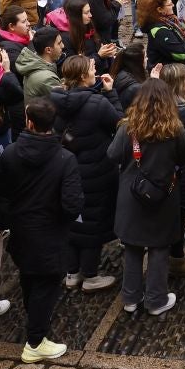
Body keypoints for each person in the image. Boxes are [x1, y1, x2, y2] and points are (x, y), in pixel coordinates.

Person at [0, 98, 85, 362]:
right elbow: (72, 203)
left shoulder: (10, 152)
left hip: (22, 230)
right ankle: (35, 342)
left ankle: (35, 324)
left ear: (29, 122)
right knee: (46, 285)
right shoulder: (64, 159)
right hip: (51, 233)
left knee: (29, 278)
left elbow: (0, 192)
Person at [108, 78, 185, 316]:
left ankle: (130, 297)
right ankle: (156, 299)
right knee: (159, 247)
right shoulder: (175, 129)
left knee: (133, 246)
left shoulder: (128, 128)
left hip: (131, 196)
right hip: (163, 195)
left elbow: (113, 154)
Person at [50, 52, 124, 291]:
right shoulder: (97, 103)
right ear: (83, 76)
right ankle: (90, 275)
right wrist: (111, 93)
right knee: (94, 223)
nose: (96, 71)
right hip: (98, 172)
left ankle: (72, 273)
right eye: (92, 68)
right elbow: (120, 125)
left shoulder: (57, 101)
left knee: (73, 220)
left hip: (69, 169)